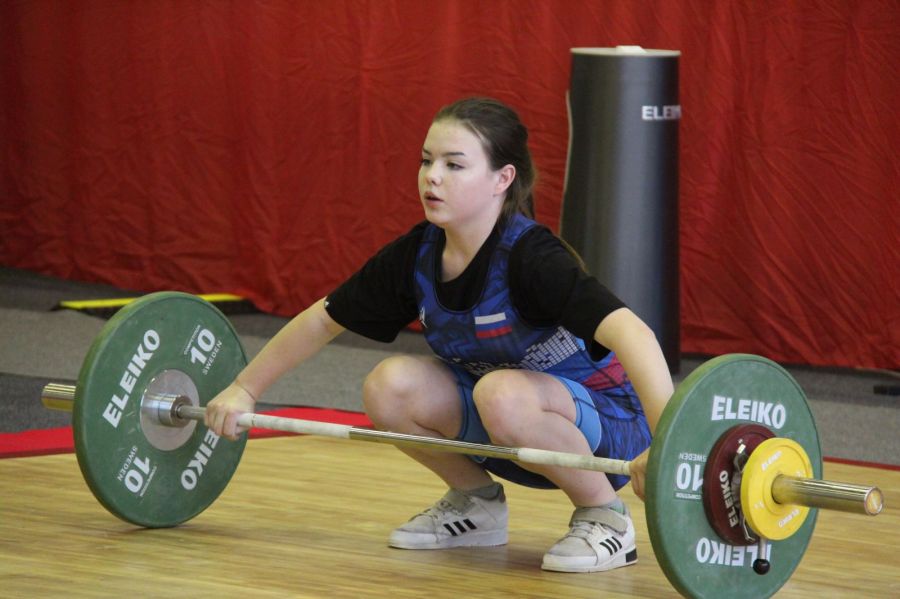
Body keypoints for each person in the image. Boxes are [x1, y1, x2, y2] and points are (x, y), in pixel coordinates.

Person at [205, 97, 674, 573]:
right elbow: (323, 319)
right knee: (389, 386)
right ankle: (477, 505)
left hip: (609, 427)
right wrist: (245, 390)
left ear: (501, 179)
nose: (432, 176)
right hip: (506, 425)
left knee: (501, 392)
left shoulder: (532, 258)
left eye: (454, 165)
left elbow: (635, 334)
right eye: (427, 161)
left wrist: (664, 443)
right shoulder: (418, 254)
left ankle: (605, 518)